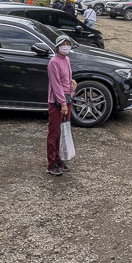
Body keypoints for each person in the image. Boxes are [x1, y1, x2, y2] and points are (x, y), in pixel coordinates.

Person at [46, 35, 77, 176]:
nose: (66, 46)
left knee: (63, 131)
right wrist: (63, 104)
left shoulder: (67, 59)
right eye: (63, 44)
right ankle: (51, 163)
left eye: (68, 44)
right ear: (57, 46)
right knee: (54, 133)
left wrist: (72, 81)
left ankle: (58, 159)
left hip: (67, 99)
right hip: (57, 102)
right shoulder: (53, 62)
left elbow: (65, 78)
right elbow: (56, 84)